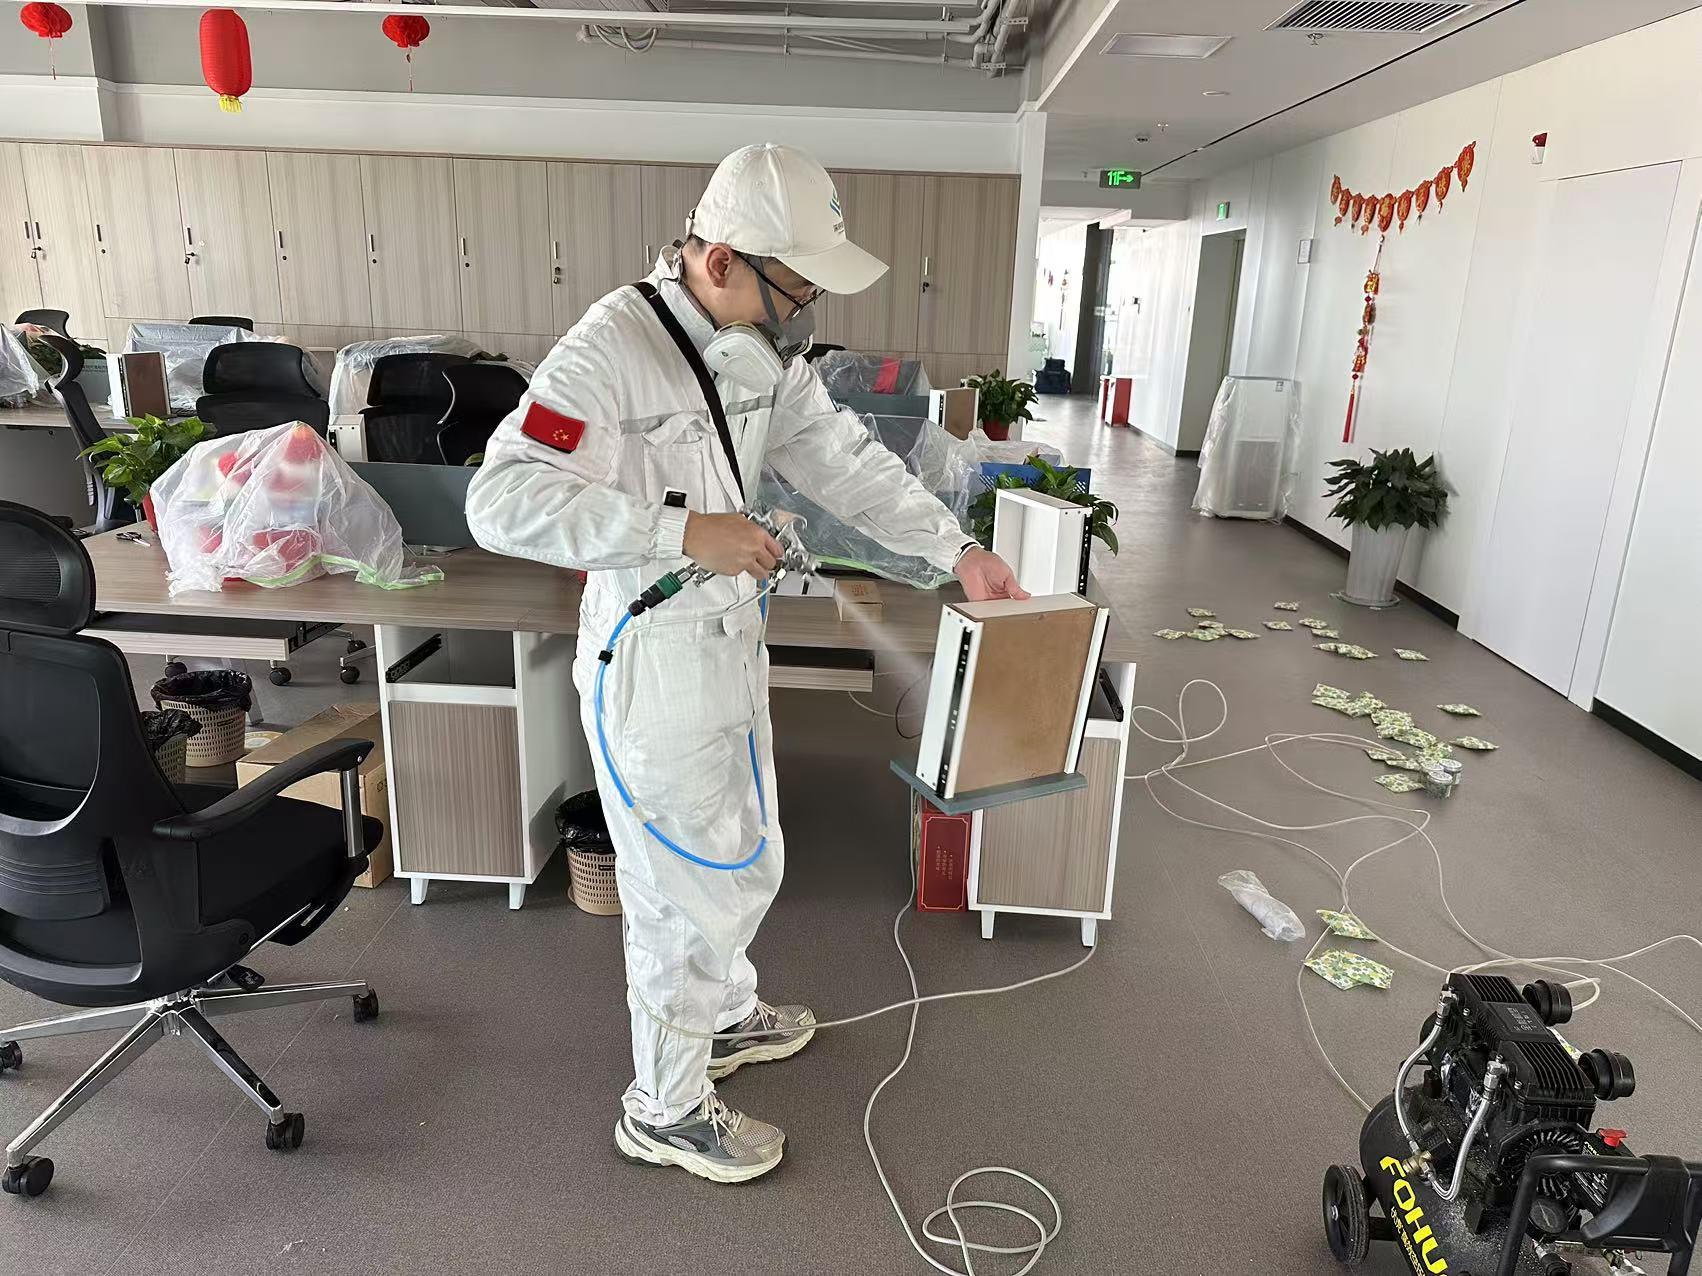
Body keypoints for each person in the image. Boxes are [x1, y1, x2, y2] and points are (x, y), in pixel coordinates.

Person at [466, 143, 1027, 1185]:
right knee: (681, 892)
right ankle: (665, 1108)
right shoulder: (610, 349)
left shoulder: (760, 351)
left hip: (726, 643)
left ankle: (721, 1016)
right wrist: (681, 530)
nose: (804, 309)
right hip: (653, 657)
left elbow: (845, 462)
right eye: (795, 285)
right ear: (720, 261)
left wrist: (959, 550)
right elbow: (501, 501)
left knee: (740, 855)